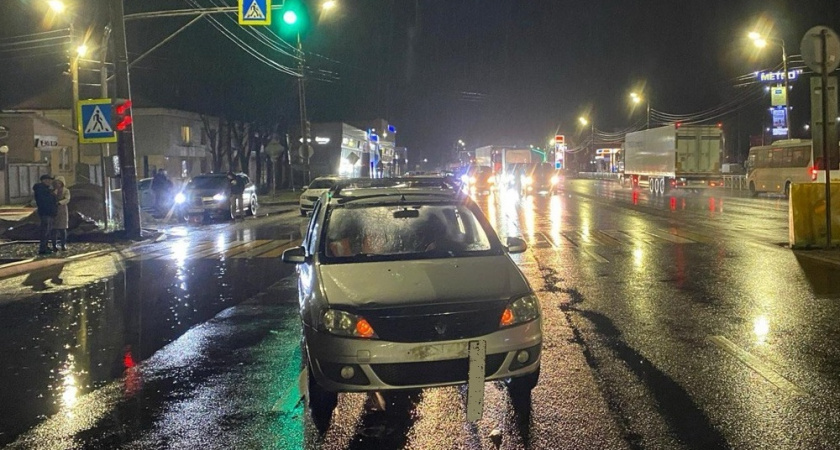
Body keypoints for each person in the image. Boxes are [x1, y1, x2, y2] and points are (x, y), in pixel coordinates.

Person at [33, 174, 57, 255]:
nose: (50, 182)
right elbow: (45, 201)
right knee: (45, 231)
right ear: (43, 180)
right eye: (48, 180)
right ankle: (43, 248)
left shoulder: (46, 190)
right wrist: (52, 195)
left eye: (50, 180)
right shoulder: (41, 190)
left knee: (47, 231)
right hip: (45, 213)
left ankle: (45, 247)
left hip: (49, 213)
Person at [52, 176, 71, 251]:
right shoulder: (53, 191)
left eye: (59, 183)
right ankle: (54, 245)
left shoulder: (66, 191)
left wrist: (60, 202)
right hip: (54, 210)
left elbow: (67, 199)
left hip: (62, 210)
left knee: (62, 229)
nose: (58, 184)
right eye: (56, 183)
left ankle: (63, 244)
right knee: (54, 229)